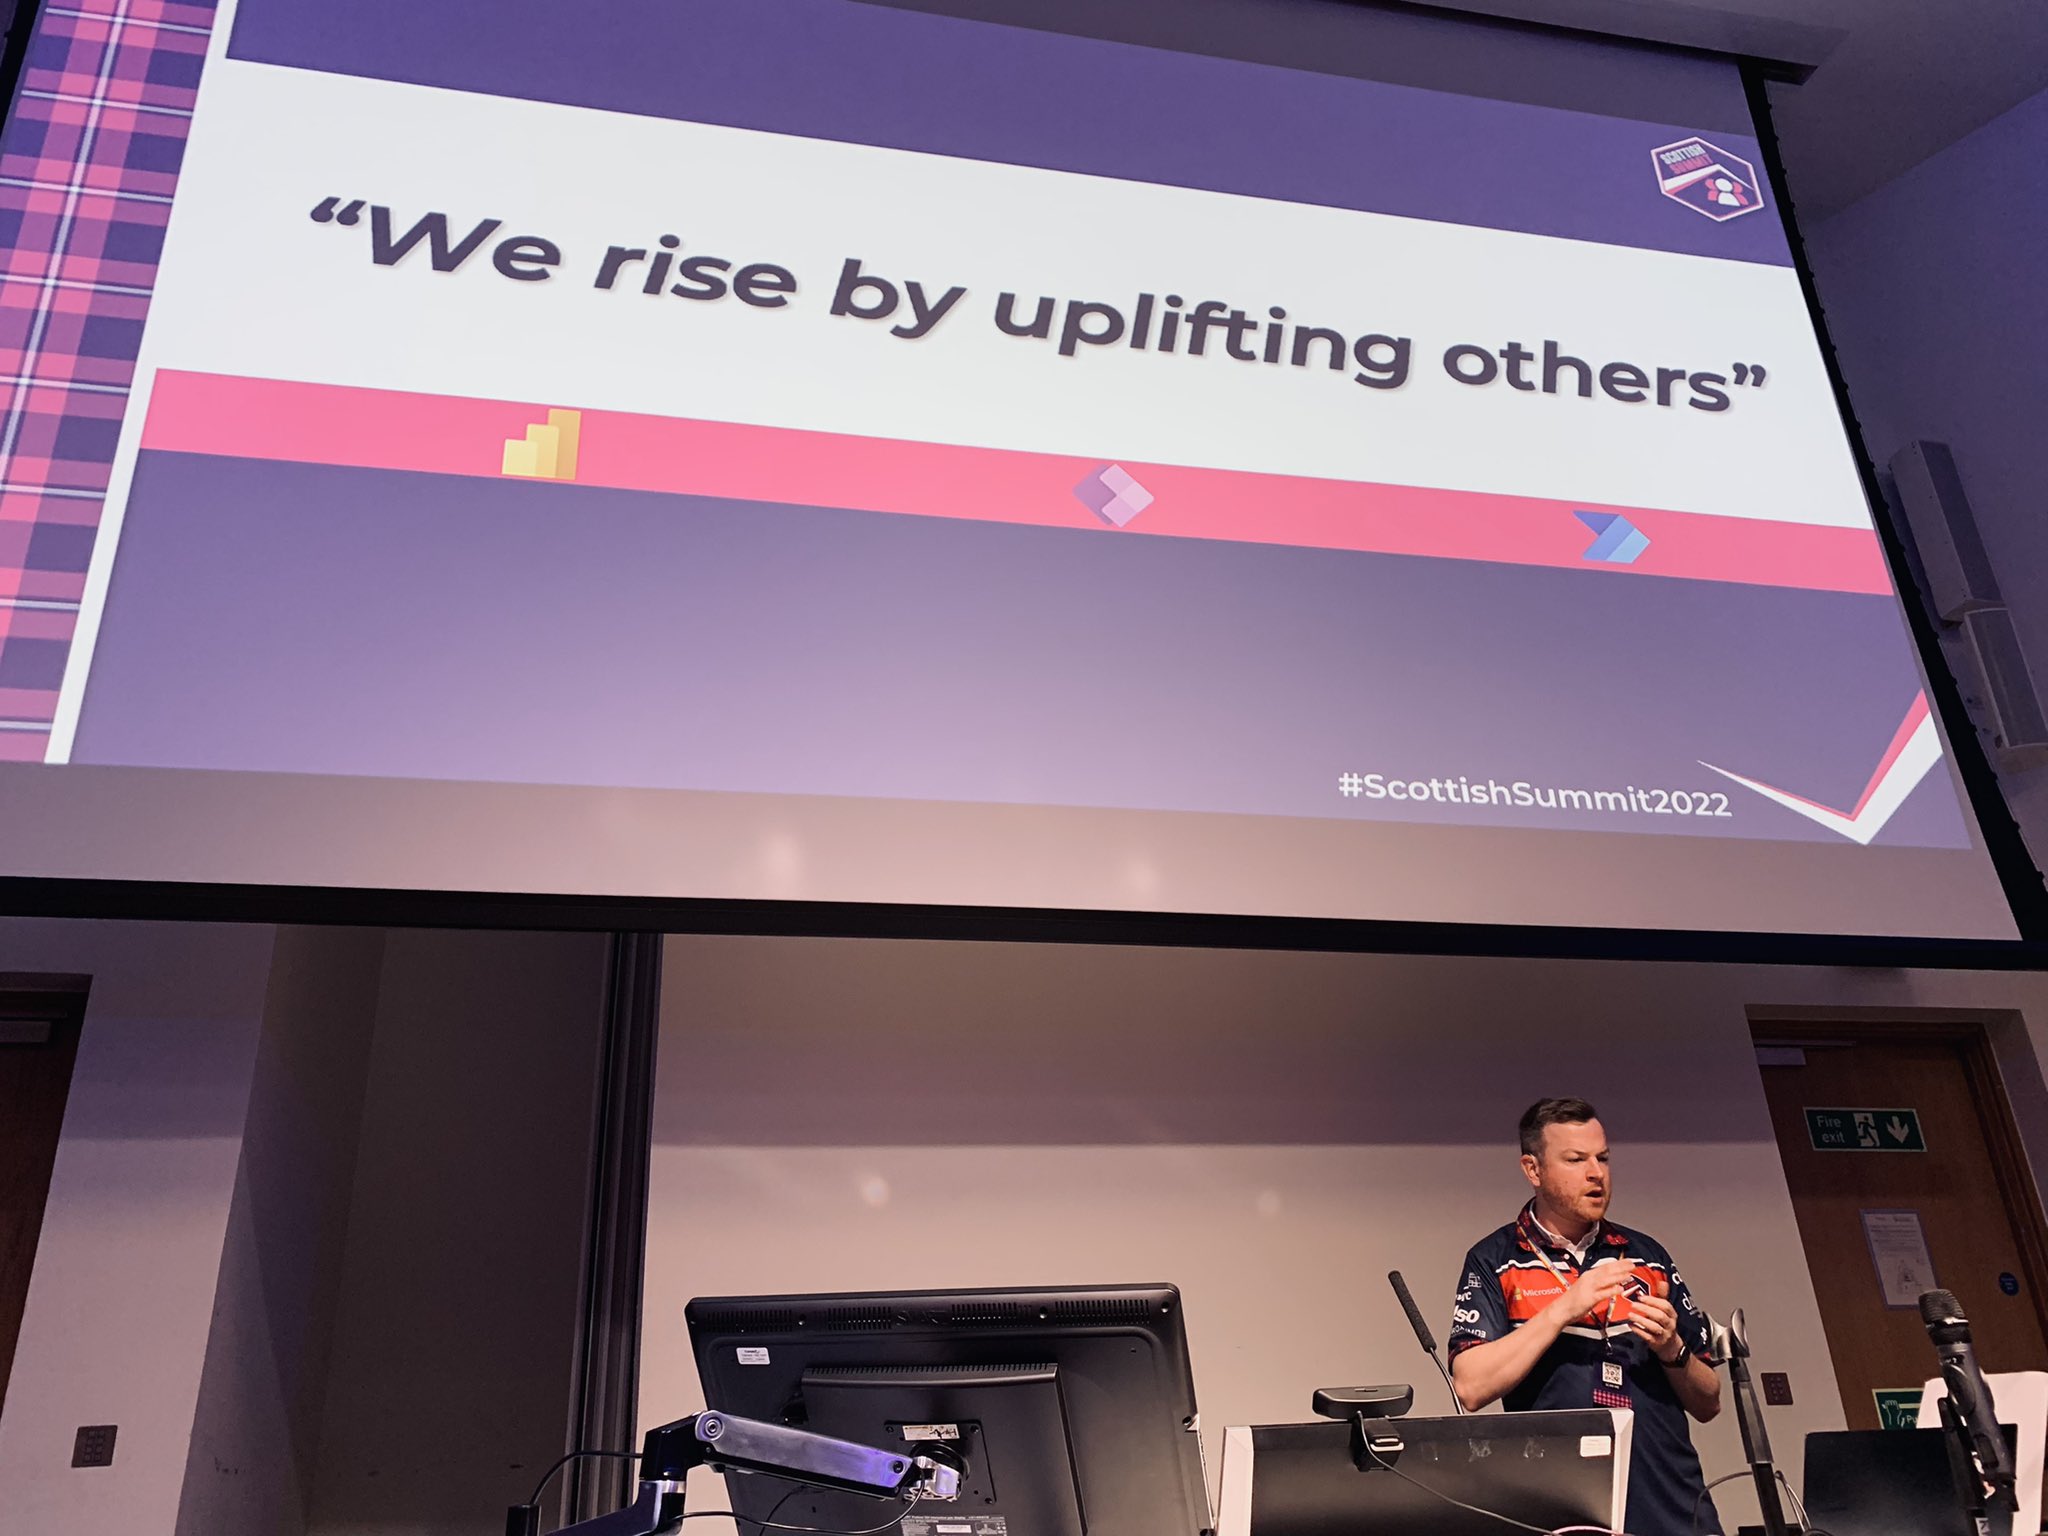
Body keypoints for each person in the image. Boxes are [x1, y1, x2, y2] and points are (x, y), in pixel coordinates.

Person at [1448, 1098, 1723, 1536]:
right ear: (1532, 1169)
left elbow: (1710, 1401)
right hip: (1565, 1513)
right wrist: (1564, 1308)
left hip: (1675, 1506)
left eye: (1603, 1158)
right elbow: (1470, 1386)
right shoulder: (1495, 1260)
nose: (1596, 1173)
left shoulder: (1647, 1255)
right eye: (1576, 1160)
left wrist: (1673, 1348)